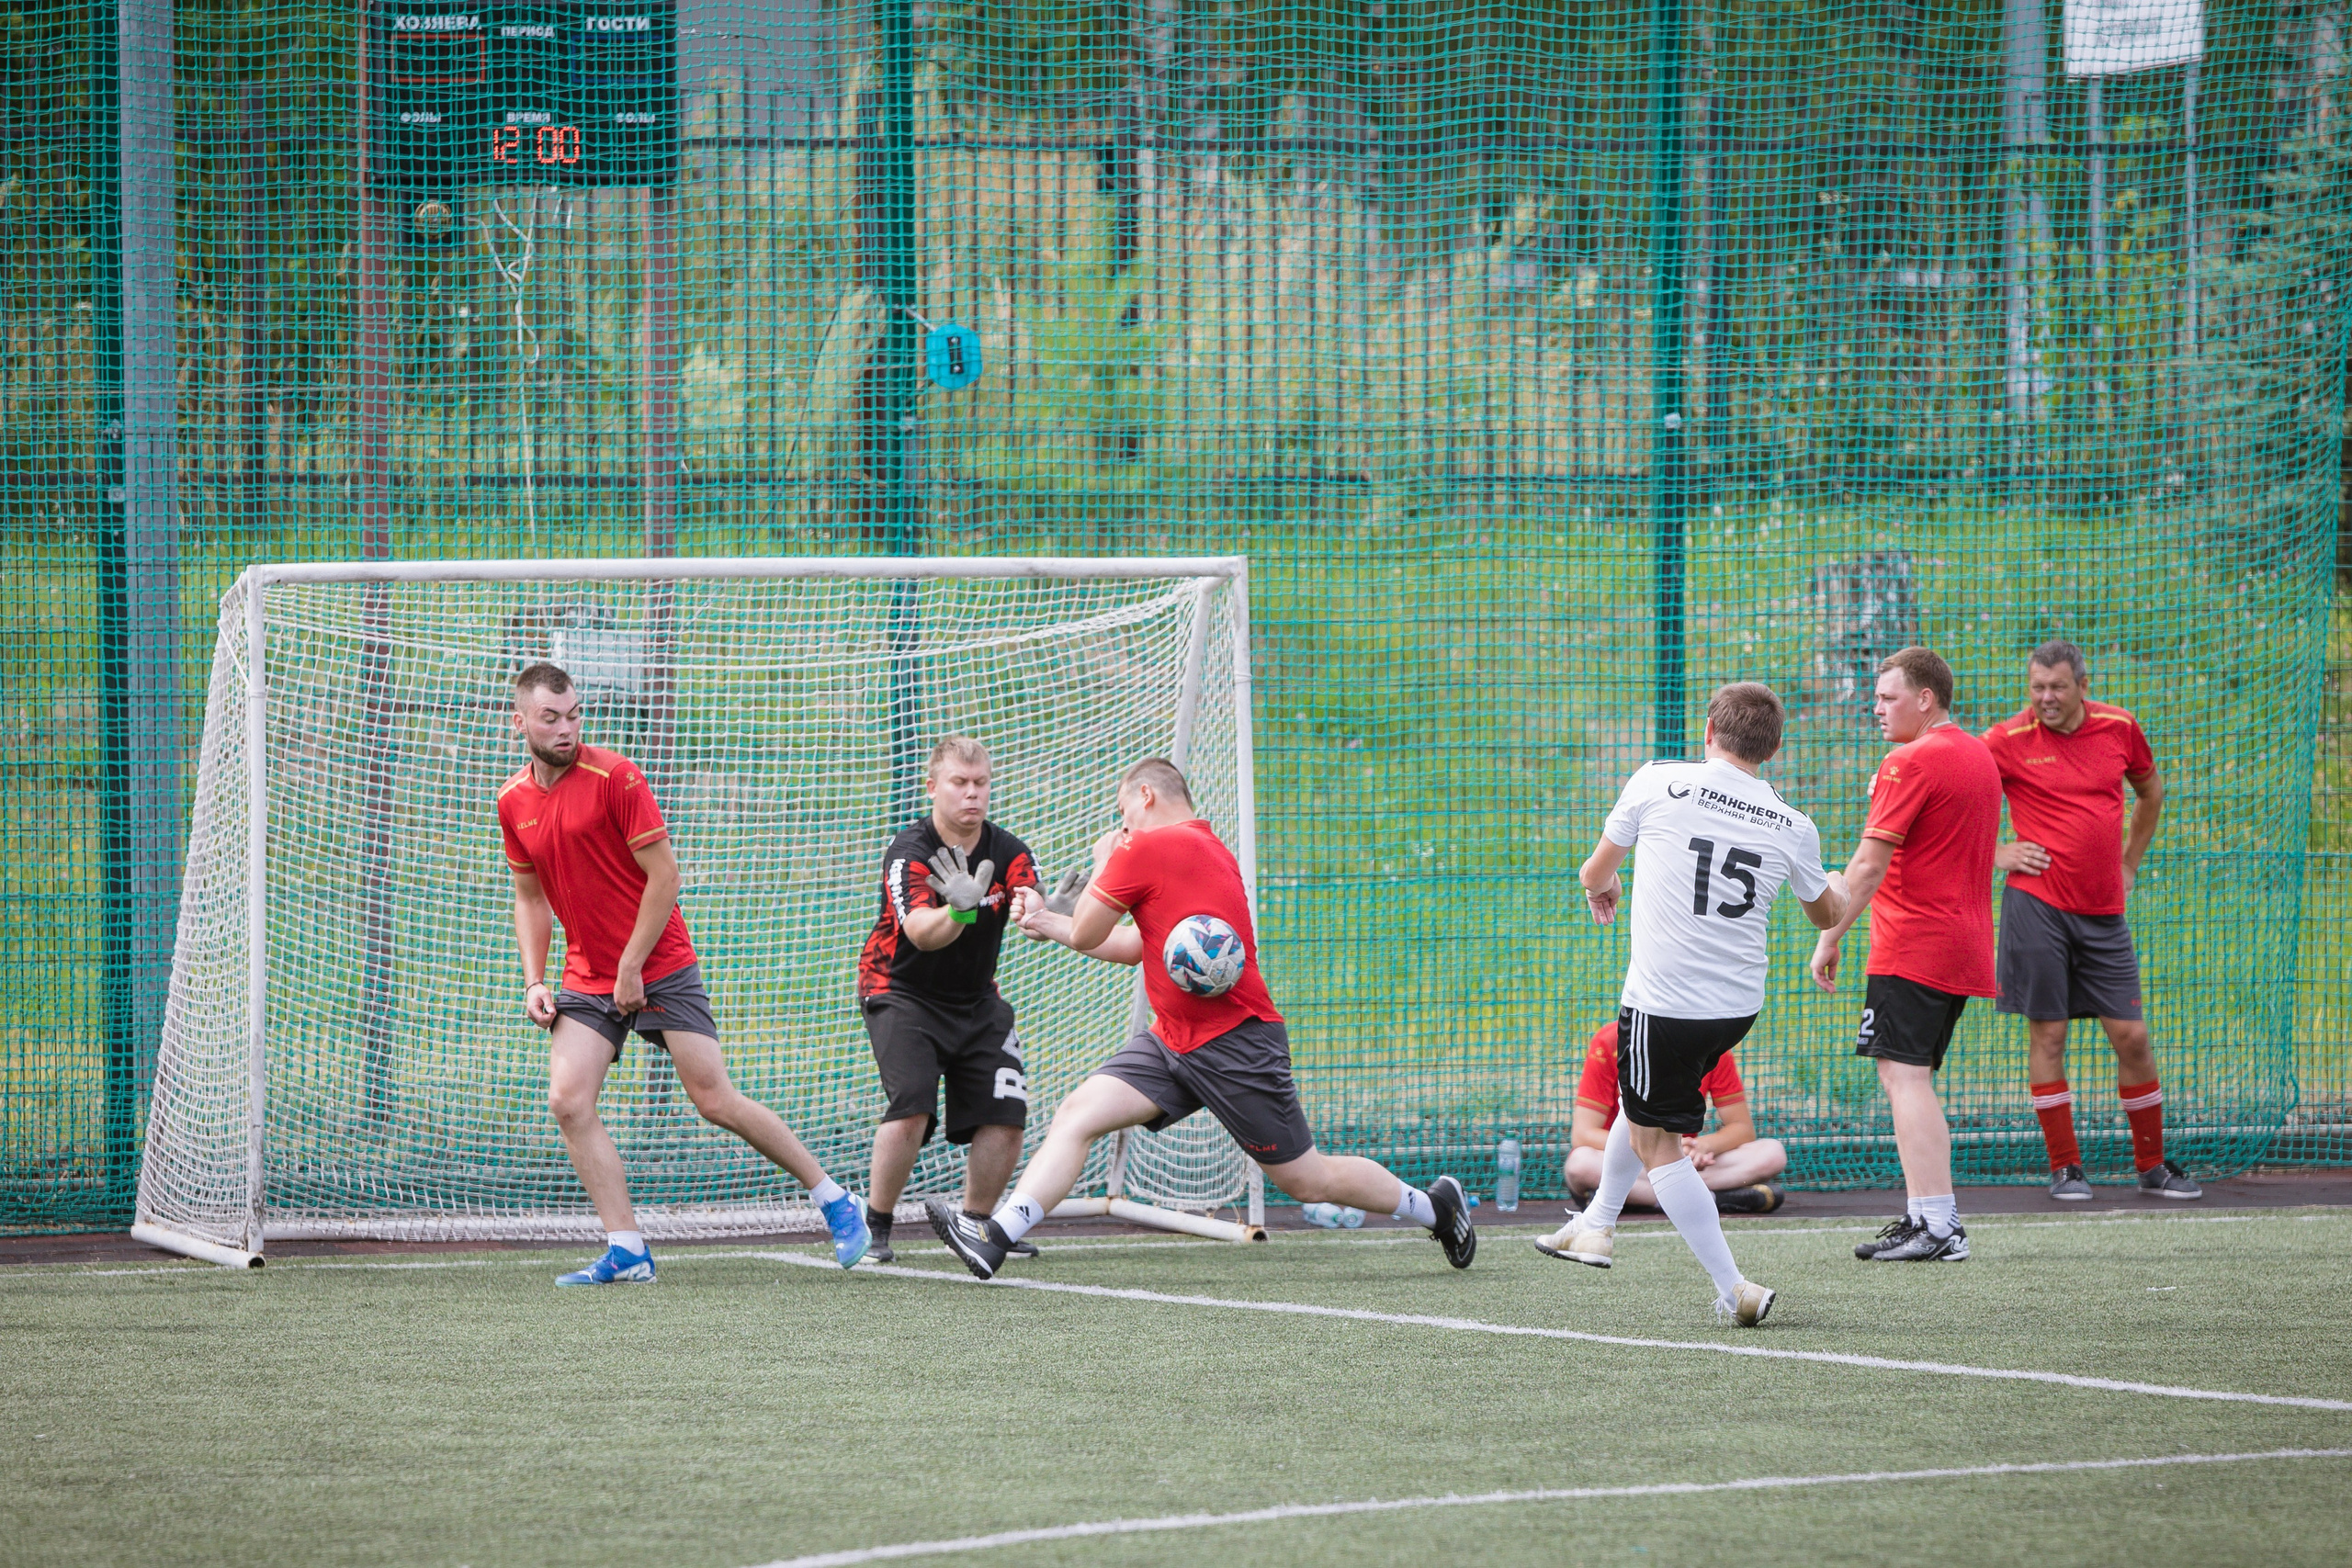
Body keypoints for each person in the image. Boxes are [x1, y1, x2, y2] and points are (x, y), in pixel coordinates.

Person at [927, 756, 1477, 1278]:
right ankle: (995, 1236)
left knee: (1308, 1181)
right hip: (1173, 1039)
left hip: (1234, 1042)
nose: (1124, 826)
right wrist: (1052, 921)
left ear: (1145, 795)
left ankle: (1436, 1208)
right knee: (1080, 1112)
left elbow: (1092, 932)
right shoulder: (1208, 848)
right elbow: (1137, 947)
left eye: (1124, 812)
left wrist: (1099, 868)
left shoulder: (1145, 849)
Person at [500, 662, 870, 1284]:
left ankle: (834, 1197)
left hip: (660, 961)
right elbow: (530, 897)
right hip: (589, 973)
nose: (566, 728)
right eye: (550, 717)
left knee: (713, 1099)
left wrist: (633, 966)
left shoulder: (615, 776)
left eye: (574, 714)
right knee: (568, 1100)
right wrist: (535, 980)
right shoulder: (513, 800)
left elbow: (666, 876)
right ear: (520, 721)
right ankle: (628, 1249)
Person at [1534, 682, 1843, 1326]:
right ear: (1775, 747)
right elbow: (1827, 911)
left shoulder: (1657, 781)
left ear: (1709, 730)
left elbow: (1593, 872)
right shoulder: (1792, 822)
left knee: (1657, 1141)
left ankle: (1735, 1287)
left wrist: (1606, 885)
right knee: (1648, 1103)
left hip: (1665, 1003)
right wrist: (1837, 886)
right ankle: (1595, 1223)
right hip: (1734, 1007)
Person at [1984, 641, 2199, 1201]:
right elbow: (1955, 798)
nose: (2046, 698)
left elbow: (2150, 792)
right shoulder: (2007, 740)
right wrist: (1996, 853)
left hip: (2104, 912)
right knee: (2049, 1034)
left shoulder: (2119, 727)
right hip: (2035, 907)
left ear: (2082, 685)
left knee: (2131, 1037)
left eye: (2056, 687)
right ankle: (2066, 1168)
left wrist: (2129, 862)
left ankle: (2152, 1165)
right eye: (2036, 687)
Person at [1810, 647, 2001, 1263]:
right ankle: (1924, 1214)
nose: (1878, 707)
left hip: (1915, 943)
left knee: (1904, 1075)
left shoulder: (1909, 760)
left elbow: (1868, 864)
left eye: (1889, 697)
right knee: (1903, 1073)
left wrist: (1829, 933)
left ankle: (1940, 1225)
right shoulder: (1977, 754)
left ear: (1926, 698)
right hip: (1959, 941)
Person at [856, 737, 1052, 1263]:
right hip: (900, 993)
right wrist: (961, 911)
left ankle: (977, 1226)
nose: (973, 794)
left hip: (976, 999)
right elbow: (920, 931)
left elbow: (1029, 909)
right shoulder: (909, 852)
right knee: (913, 1106)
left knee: (1007, 1113)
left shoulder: (1008, 849)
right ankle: (875, 1228)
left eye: (981, 783)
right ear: (932, 787)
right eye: (960, 783)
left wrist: (1047, 912)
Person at [1559, 1020, 1787, 1214]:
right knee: (1580, 1165)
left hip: (1683, 1162)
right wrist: (1653, 1149)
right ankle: (1712, 1200)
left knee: (1772, 1154)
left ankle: (1640, 1199)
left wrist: (1703, 1146)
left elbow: (1742, 1128)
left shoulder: (1713, 1044)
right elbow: (1583, 1134)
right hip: (1631, 1162)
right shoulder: (1611, 1041)